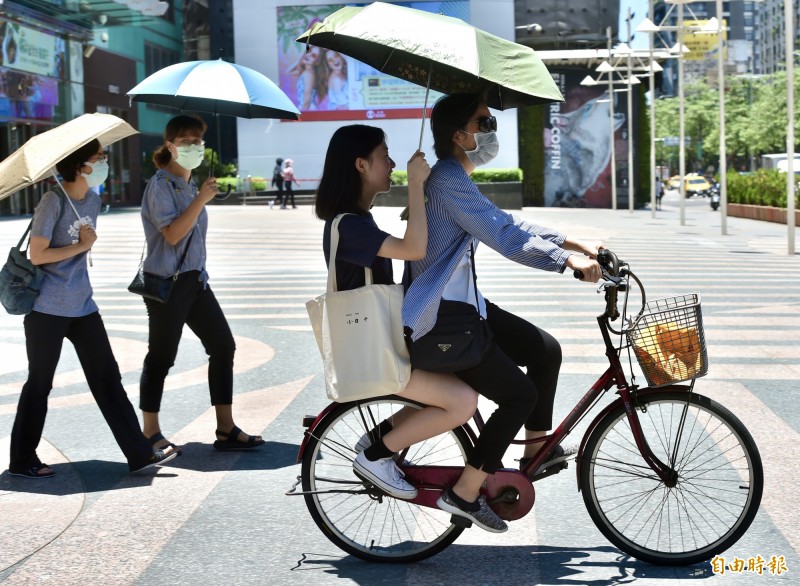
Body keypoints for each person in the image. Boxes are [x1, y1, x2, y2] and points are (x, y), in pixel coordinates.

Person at [404, 93, 604, 532]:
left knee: (544, 350)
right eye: (485, 122)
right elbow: (504, 235)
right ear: (461, 136)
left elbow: (507, 221)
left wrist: (574, 242)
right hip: (443, 315)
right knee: (519, 396)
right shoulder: (446, 180)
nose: (492, 129)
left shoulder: (455, 176)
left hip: (465, 304)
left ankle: (536, 450)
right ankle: (465, 491)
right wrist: (564, 261)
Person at [314, 124, 479, 500]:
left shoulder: (357, 221)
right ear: (360, 164)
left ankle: (376, 440)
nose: (391, 164)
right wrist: (418, 187)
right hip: (376, 353)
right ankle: (376, 455)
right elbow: (414, 249)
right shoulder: (350, 225)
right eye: (384, 156)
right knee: (462, 400)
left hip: (381, 344)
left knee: (452, 386)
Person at [8, 139, 177, 478]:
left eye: (103, 156)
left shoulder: (94, 200)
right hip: (47, 309)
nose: (103, 162)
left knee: (107, 378)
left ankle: (140, 454)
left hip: (83, 305)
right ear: (78, 165)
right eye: (98, 157)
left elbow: (78, 255)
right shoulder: (52, 201)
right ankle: (22, 460)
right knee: (39, 384)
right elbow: (39, 254)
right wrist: (81, 245)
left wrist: (83, 248)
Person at [138, 115, 264, 453]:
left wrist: (198, 196)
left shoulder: (190, 185)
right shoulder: (160, 186)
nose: (194, 147)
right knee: (162, 357)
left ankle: (225, 428)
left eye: (198, 142)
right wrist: (200, 201)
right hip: (167, 283)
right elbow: (173, 234)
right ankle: (150, 432)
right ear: (170, 146)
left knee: (223, 346)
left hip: (195, 281)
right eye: (185, 142)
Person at [287, 46, 328, 111]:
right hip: (307, 107)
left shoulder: (308, 74)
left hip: (307, 108)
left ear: (317, 62)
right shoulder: (306, 72)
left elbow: (307, 99)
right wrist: (299, 60)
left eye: (313, 55)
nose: (308, 55)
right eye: (308, 51)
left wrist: (302, 116)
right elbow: (288, 72)